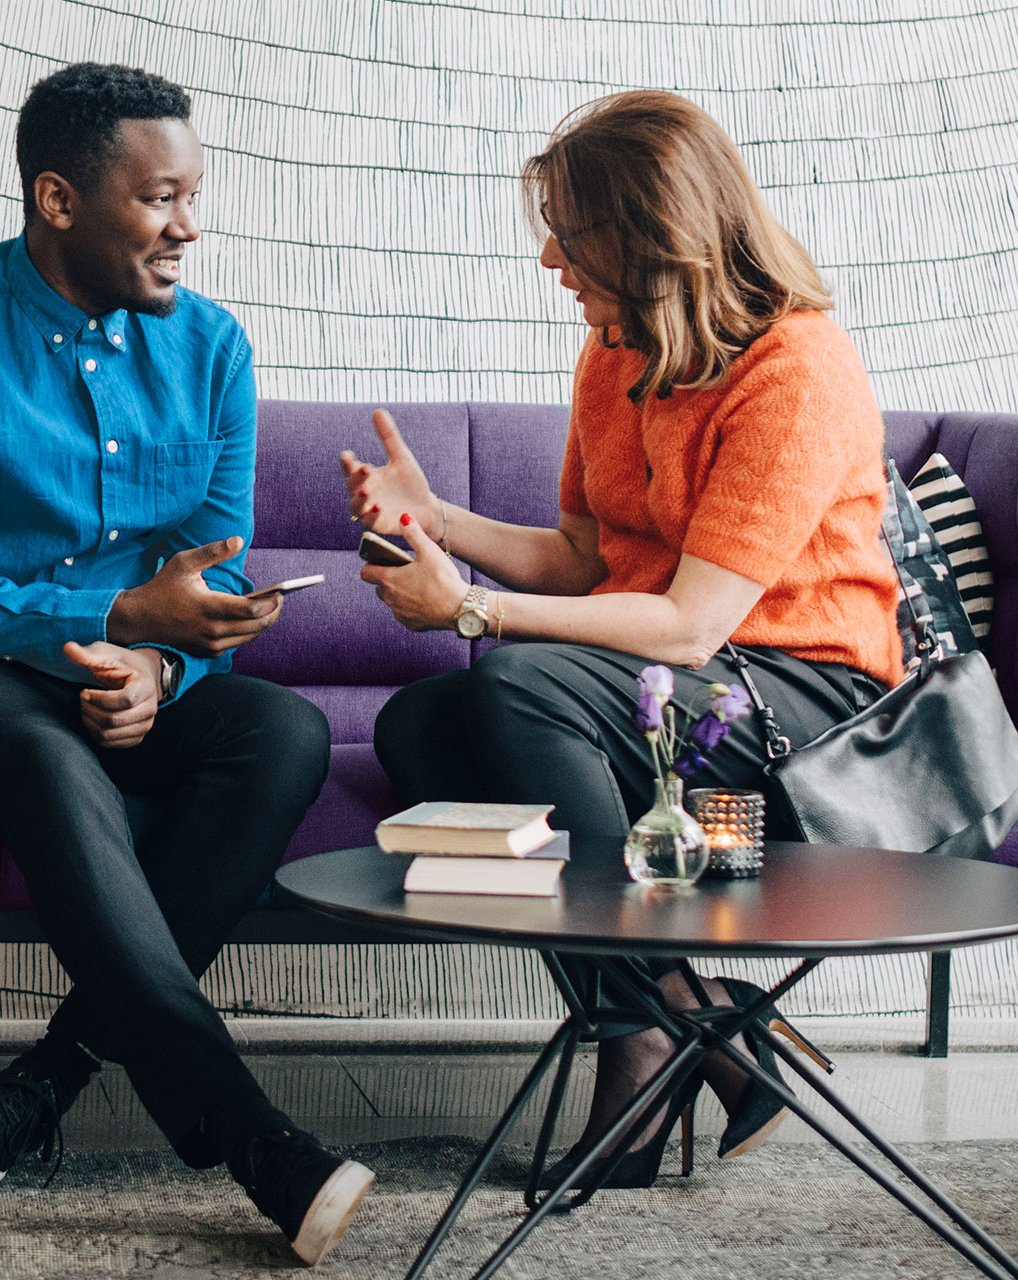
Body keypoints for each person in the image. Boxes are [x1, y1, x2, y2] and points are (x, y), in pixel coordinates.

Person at [0, 63, 371, 1264]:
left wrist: (162, 669)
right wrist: (123, 611)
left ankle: (42, 1083)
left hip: (120, 669)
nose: (190, 226)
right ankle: (250, 1137)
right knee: (44, 751)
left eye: (194, 195)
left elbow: (217, 571)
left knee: (278, 732)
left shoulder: (214, 344)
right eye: (160, 197)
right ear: (59, 199)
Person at [343, 90, 903, 1188]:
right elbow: (585, 558)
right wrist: (436, 519)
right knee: (423, 725)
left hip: (802, 696)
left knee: (512, 686)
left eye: (572, 226)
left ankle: (636, 1036)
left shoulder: (795, 368)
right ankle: (683, 1006)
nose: (550, 254)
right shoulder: (617, 348)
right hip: (664, 680)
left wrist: (468, 607)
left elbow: (692, 623)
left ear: (655, 233)